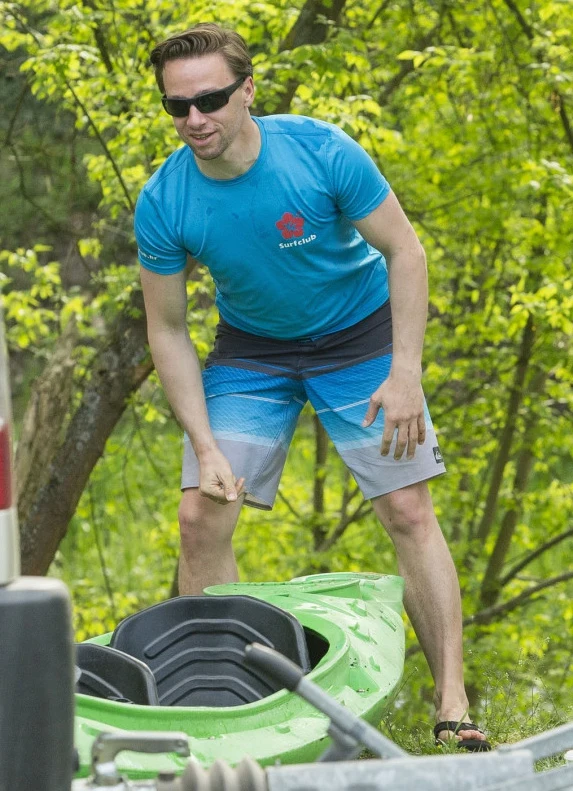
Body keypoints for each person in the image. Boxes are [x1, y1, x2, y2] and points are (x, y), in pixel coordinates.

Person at [134, 22, 489, 750]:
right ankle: (215, 710)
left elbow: (405, 251)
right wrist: (204, 445)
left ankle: (452, 703)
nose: (194, 119)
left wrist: (404, 372)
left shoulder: (320, 151)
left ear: (247, 90)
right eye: (178, 107)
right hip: (253, 352)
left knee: (406, 507)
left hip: (360, 338)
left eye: (210, 99)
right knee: (201, 515)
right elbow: (167, 330)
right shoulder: (165, 200)